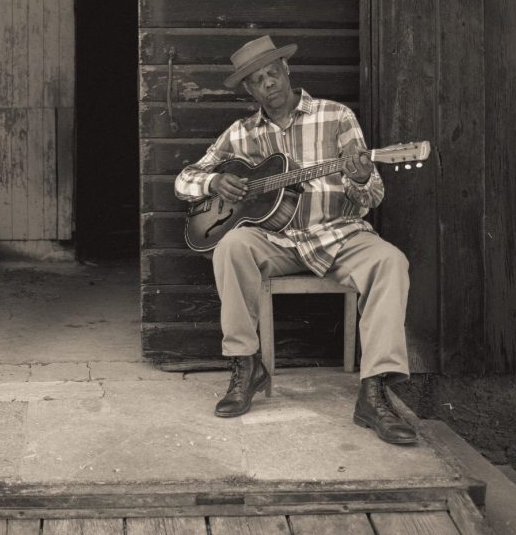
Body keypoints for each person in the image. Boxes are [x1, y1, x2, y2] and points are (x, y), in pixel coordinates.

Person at [174, 35, 416, 445]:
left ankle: (374, 391)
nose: (268, 83)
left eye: (273, 72)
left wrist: (359, 175)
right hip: (277, 241)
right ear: (249, 90)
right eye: (257, 79)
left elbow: (372, 196)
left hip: (338, 234)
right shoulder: (240, 133)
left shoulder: (336, 116)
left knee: (391, 261)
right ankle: (246, 365)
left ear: (287, 72)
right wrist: (215, 180)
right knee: (231, 245)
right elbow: (185, 180)